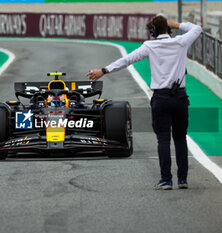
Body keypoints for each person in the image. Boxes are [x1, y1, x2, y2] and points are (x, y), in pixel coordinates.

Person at [85, 16, 202, 190]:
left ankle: (166, 180)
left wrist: (103, 70)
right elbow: (197, 28)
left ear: (153, 31)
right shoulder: (181, 42)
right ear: (168, 30)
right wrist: (177, 24)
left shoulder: (149, 46)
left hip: (161, 99)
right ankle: (183, 179)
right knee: (180, 138)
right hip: (180, 97)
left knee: (163, 139)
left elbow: (126, 60)